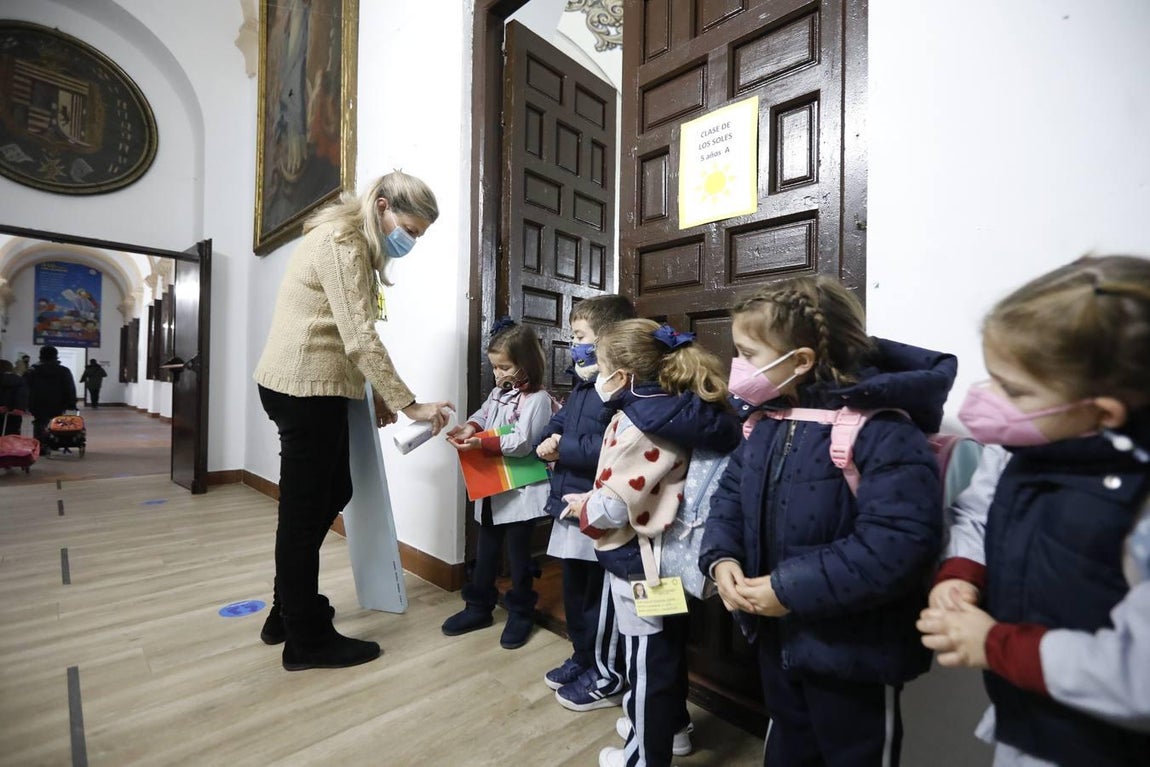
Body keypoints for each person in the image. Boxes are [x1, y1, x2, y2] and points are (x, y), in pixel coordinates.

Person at [699, 275, 952, 767]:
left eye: (748, 353)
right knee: (789, 746)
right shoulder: (765, 423)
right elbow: (729, 497)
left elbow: (897, 544)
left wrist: (788, 589)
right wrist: (721, 557)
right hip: (778, 644)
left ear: (800, 361)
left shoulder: (881, 431)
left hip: (852, 655)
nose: (738, 367)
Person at [916, 255, 1150, 765]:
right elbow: (979, 509)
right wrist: (960, 574)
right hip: (1027, 721)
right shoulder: (1020, 447)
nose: (986, 399)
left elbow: (1141, 675)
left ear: (1102, 412)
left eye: (1014, 390)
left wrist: (996, 644)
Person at [254, 171, 453, 671]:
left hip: (312, 386)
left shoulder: (354, 243)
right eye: (410, 228)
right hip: (304, 389)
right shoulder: (343, 242)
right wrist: (409, 404)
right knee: (304, 514)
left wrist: (378, 398)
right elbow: (359, 336)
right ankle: (306, 640)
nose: (411, 240)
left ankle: (286, 611)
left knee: (327, 493)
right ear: (382, 206)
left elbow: (345, 336)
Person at [564, 318, 742, 767]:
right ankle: (673, 727)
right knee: (663, 652)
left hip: (639, 564)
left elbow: (615, 505)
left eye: (601, 366)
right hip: (663, 558)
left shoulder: (641, 423)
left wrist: (583, 507)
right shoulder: (673, 408)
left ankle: (643, 756)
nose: (595, 374)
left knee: (646, 665)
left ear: (621, 376)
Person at [535, 295, 636, 712]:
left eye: (579, 337)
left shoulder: (621, 389)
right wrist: (551, 435)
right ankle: (582, 656)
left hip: (599, 508)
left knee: (600, 599)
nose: (573, 344)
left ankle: (605, 670)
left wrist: (567, 447)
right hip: (570, 505)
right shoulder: (582, 383)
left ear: (608, 340)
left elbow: (616, 449)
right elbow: (562, 422)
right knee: (574, 590)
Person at [442, 320, 554, 650]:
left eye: (504, 366)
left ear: (527, 363)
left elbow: (523, 443)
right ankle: (479, 607)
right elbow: (485, 411)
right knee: (486, 550)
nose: (497, 374)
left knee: (519, 556)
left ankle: (521, 611)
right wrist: (470, 427)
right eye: (494, 367)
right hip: (492, 489)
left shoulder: (538, 400)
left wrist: (480, 444)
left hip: (521, 493)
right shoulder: (498, 393)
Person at [25, 346, 78, 453]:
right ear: (56, 356)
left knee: (39, 423)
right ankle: (55, 444)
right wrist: (71, 403)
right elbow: (70, 388)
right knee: (57, 422)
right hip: (58, 403)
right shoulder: (63, 370)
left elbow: (25, 387)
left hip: (37, 402)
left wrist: (25, 403)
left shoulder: (32, 371)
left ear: (41, 356)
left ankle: (40, 447)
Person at [0, 359, 29, 435]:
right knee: (11, 436)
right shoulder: (19, 380)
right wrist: (19, 408)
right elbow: (22, 395)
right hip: (13, 414)